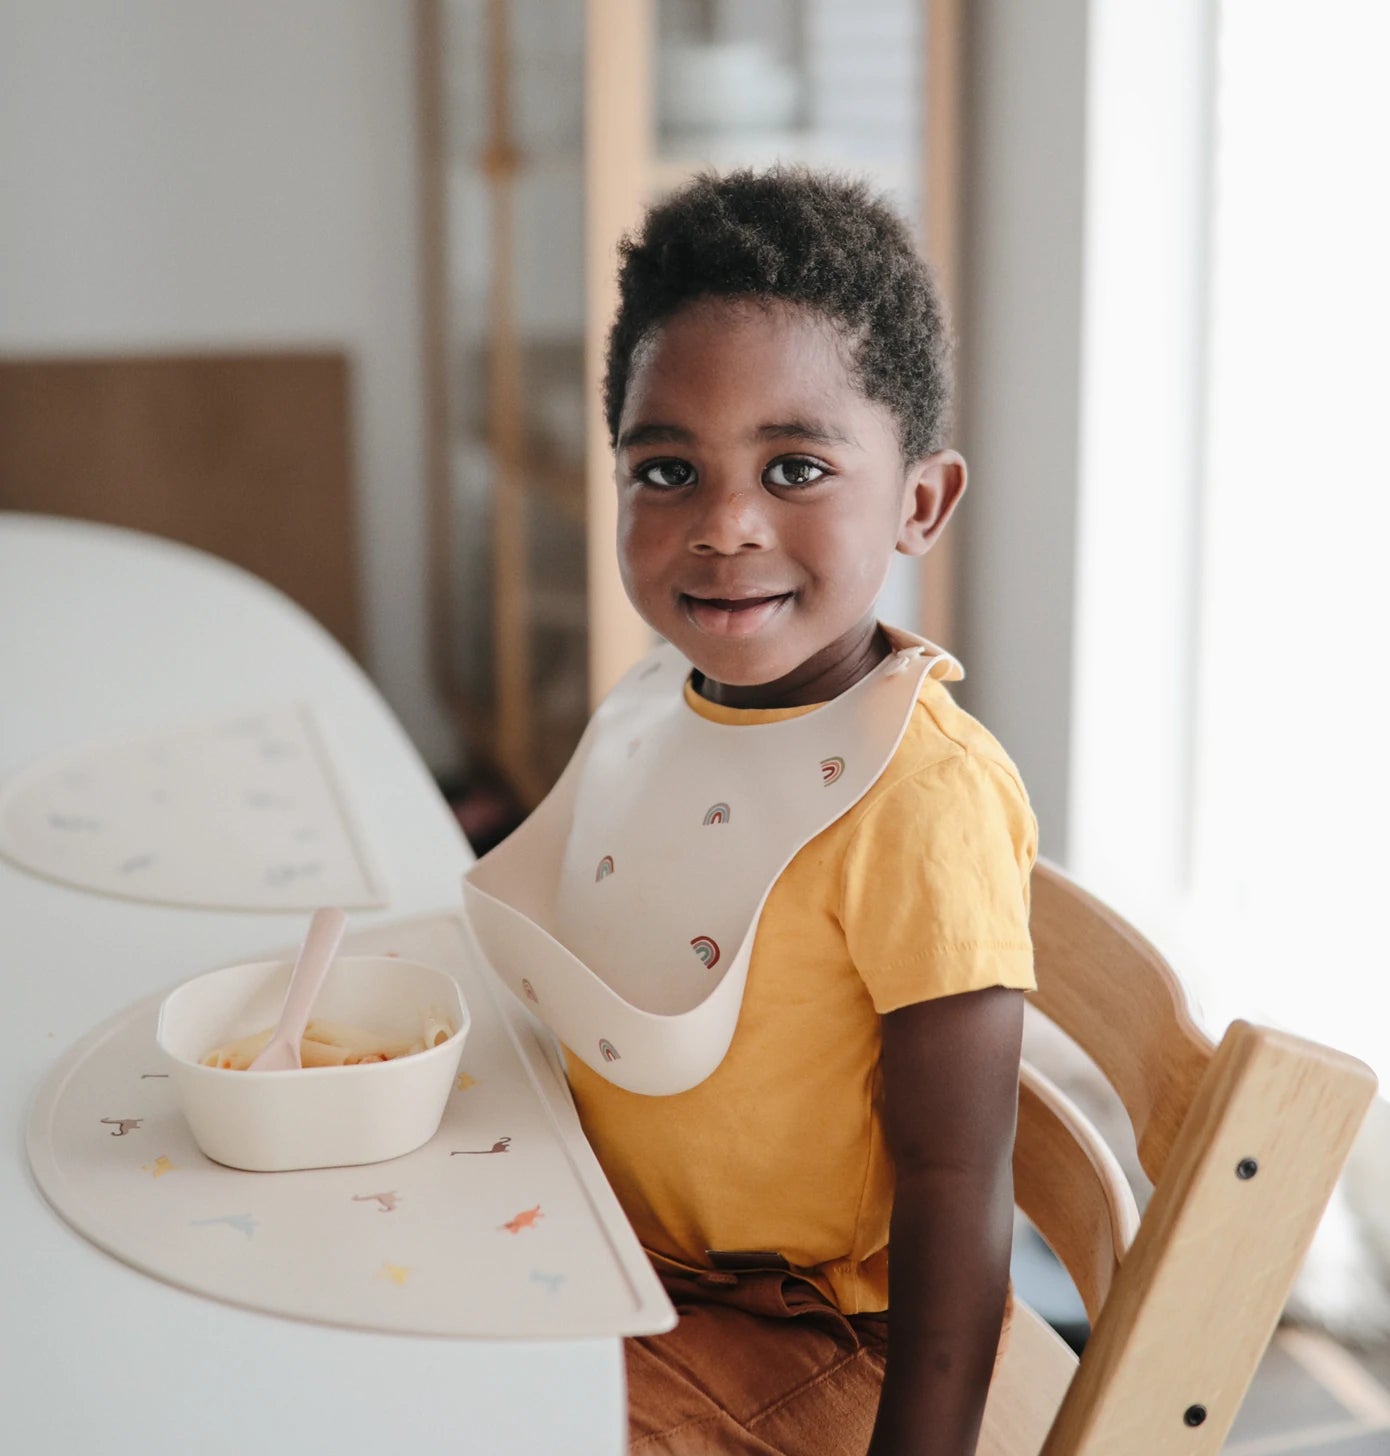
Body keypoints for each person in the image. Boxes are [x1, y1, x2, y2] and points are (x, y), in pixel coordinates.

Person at [473, 167, 1036, 1455]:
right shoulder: (658, 699)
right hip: (619, 1241)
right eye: (668, 469)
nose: (725, 525)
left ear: (920, 502)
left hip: (799, 1325)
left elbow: (958, 1182)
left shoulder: (922, 800)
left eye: (794, 467)